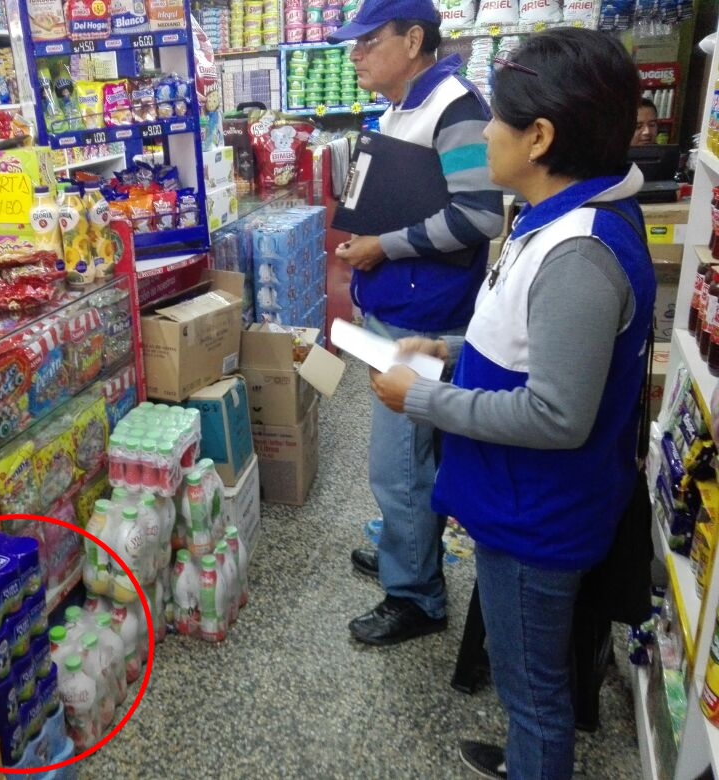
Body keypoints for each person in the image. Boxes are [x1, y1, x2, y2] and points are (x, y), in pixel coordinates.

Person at [371, 27, 654, 779]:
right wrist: (450, 351)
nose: (485, 131)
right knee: (528, 674)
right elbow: (532, 341)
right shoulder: (555, 216)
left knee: (533, 694)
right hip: (519, 499)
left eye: (499, 117)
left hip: (537, 518)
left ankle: (536, 762)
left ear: (540, 138)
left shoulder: (580, 252)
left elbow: (557, 416)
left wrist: (425, 398)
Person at [326, 0, 503, 646]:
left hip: (424, 317)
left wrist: (384, 246)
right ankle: (407, 551)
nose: (356, 55)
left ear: (413, 39)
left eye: (368, 41)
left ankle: (416, 596)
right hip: (398, 306)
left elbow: (479, 215)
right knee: (408, 454)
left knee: (399, 463)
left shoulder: (452, 107)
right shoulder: (403, 106)